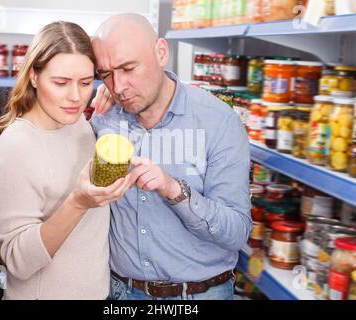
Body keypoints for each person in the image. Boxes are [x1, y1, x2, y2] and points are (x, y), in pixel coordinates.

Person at [90, 13, 252, 300]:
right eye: (106, 74)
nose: (119, 86)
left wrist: (173, 189)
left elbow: (237, 233)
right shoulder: (105, 117)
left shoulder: (219, 122)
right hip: (120, 292)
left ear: (161, 53)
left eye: (128, 68)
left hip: (199, 295)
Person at [0, 21, 132, 300]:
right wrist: (77, 203)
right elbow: (17, 261)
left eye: (86, 82)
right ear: (34, 77)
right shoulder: (17, 147)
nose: (75, 97)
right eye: (61, 83)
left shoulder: (77, 123)